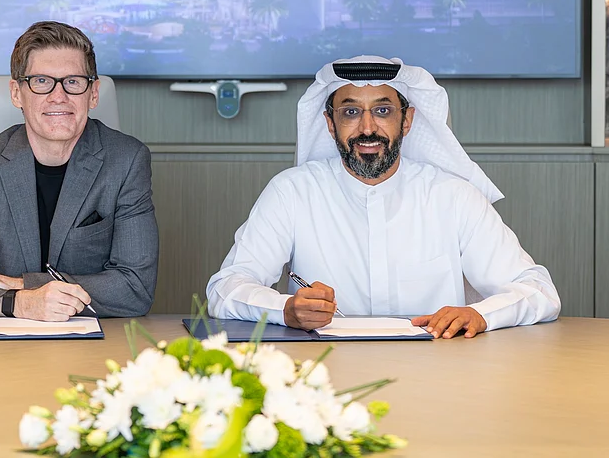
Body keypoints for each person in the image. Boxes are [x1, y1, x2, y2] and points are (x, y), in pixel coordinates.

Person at [207, 56, 560, 338]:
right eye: (350, 112)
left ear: (407, 121)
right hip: (326, 377)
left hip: (438, 374)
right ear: (330, 123)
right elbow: (225, 288)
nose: (367, 128)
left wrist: (480, 314)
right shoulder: (293, 192)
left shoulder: (453, 196)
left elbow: (538, 291)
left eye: (382, 110)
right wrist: (284, 309)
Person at [0, 21, 158, 320]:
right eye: (41, 81)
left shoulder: (127, 161)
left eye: (73, 81)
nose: (58, 96)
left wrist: (16, 285)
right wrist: (16, 303)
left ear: (93, 93)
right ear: (16, 93)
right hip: (0, 344)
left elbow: (135, 289)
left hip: (93, 341)